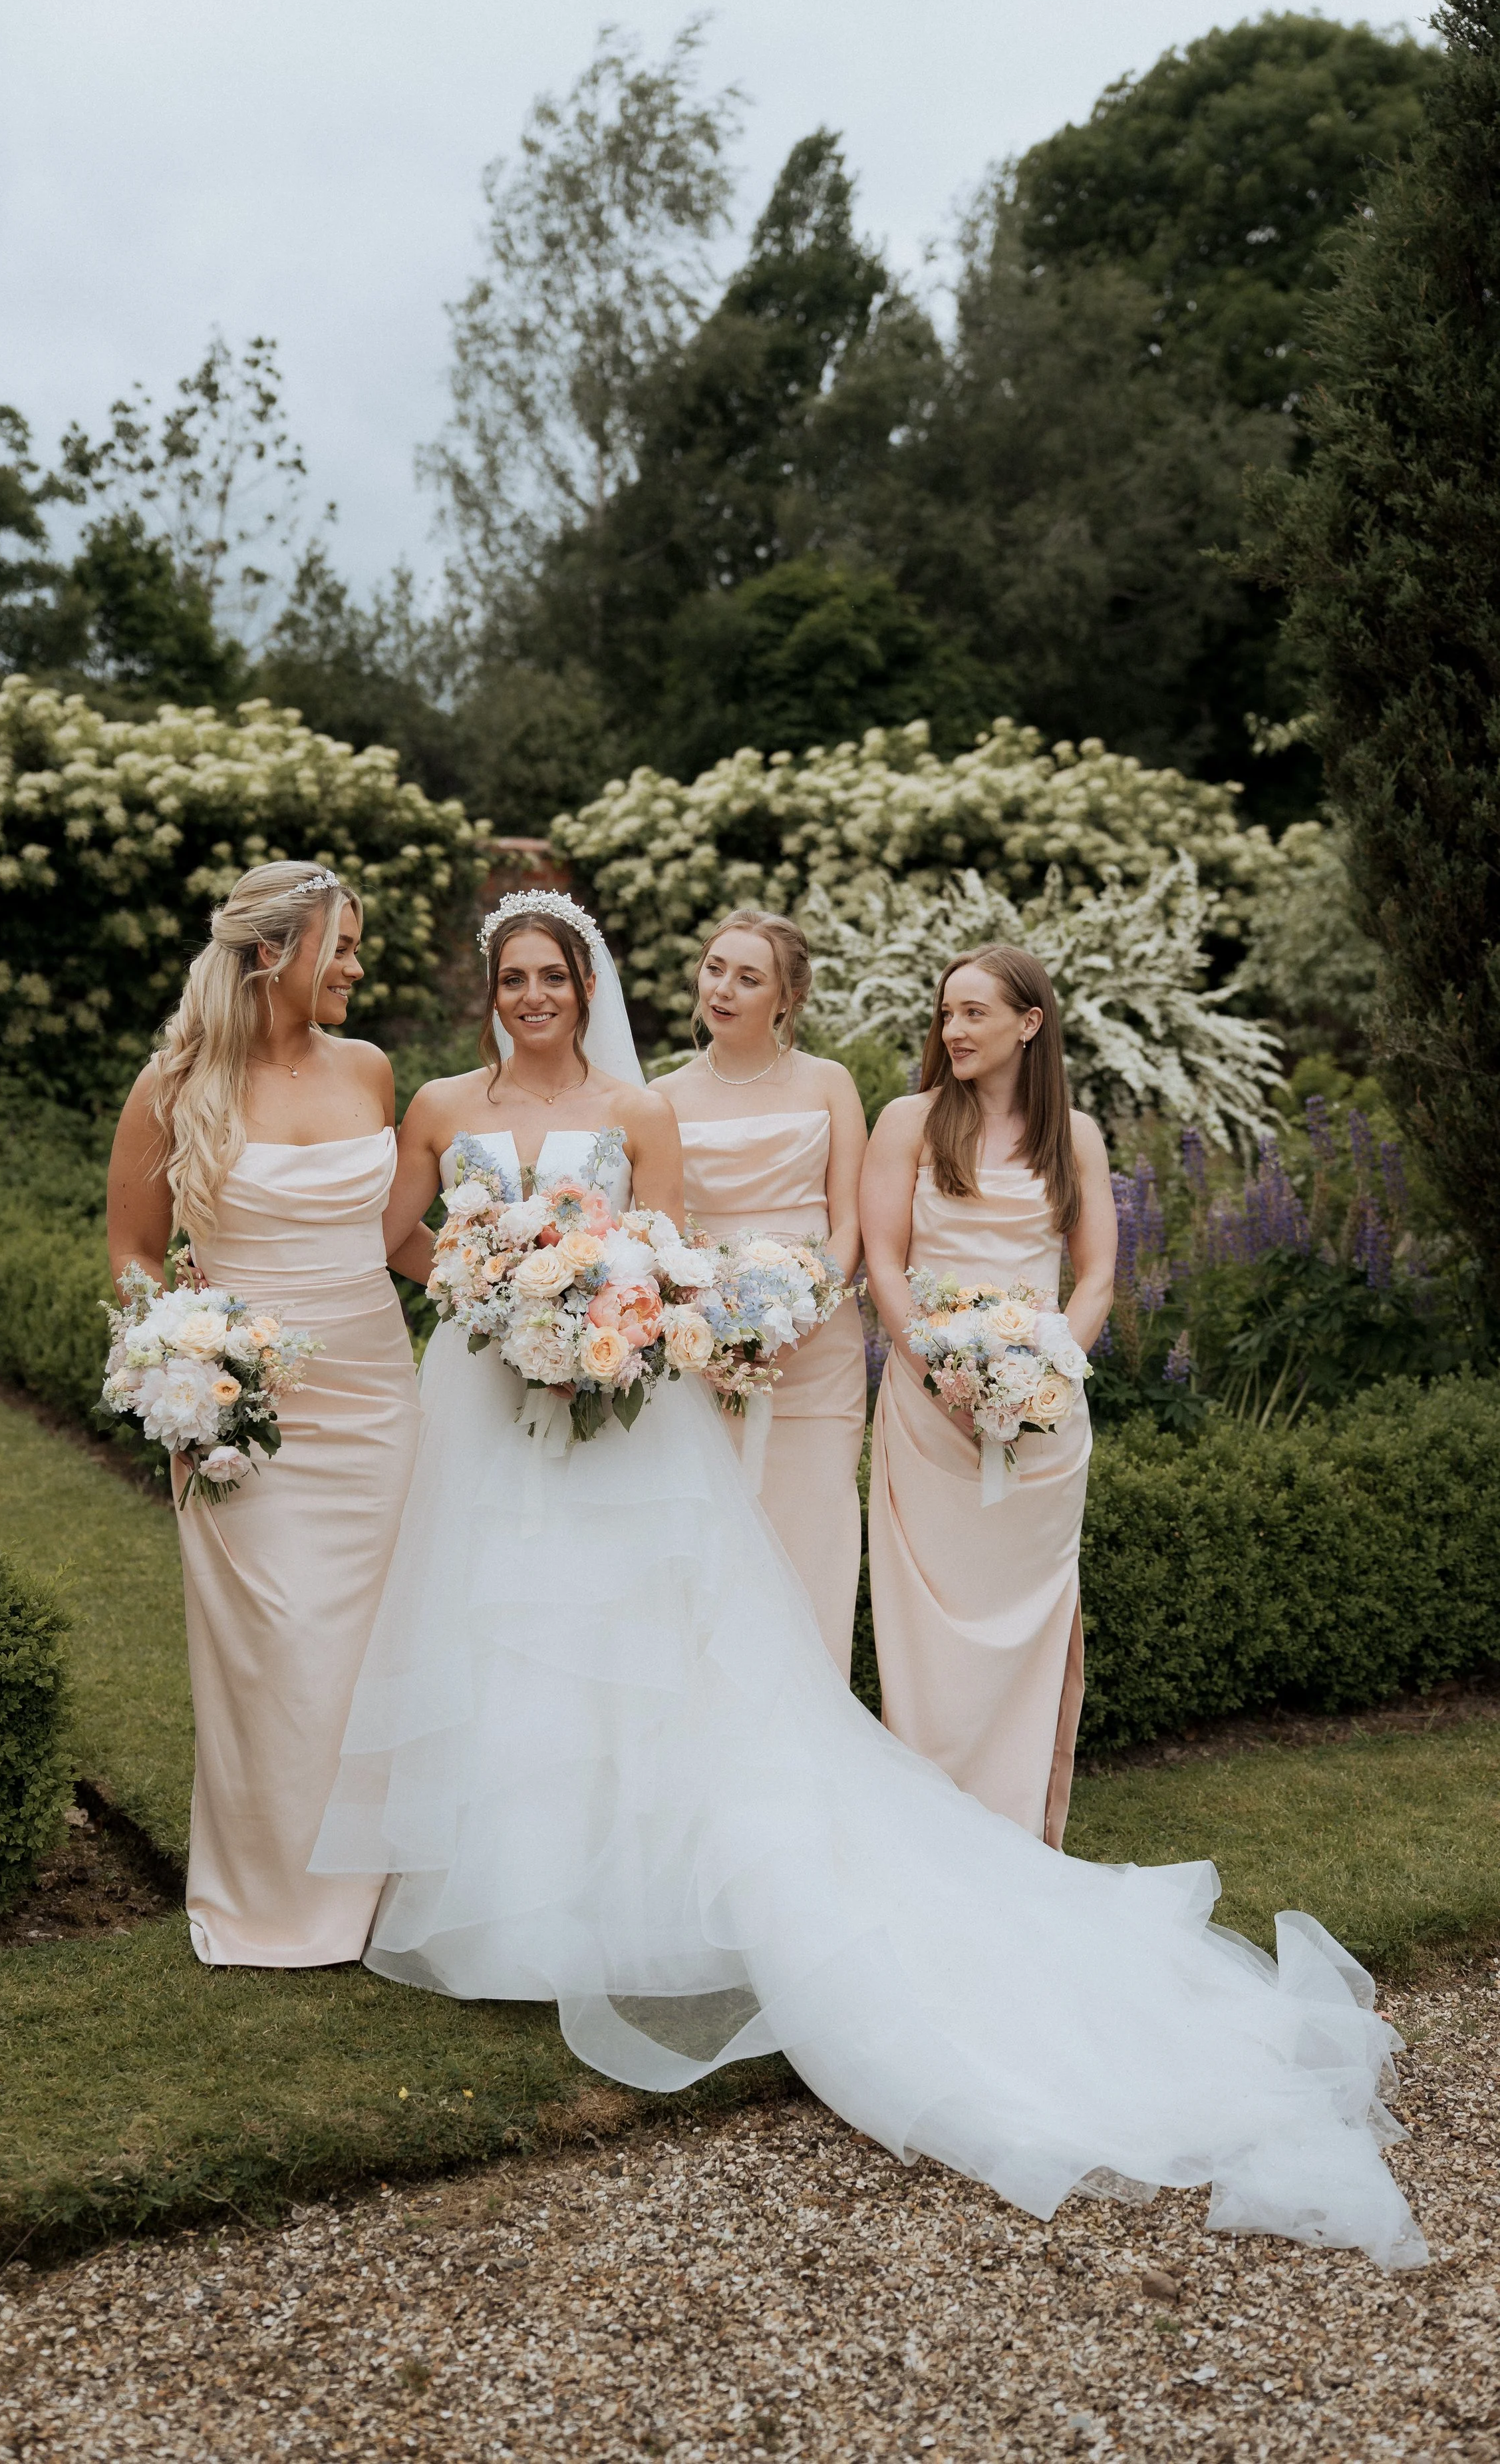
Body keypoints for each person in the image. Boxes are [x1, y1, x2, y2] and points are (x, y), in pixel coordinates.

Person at [311, 891, 1422, 2272]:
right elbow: (397, 1236)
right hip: (491, 1388)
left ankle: (653, 1880)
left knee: (625, 1621)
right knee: (501, 1621)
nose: (533, 993)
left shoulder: (644, 1107)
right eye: (514, 977)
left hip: (623, 1374)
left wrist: (601, 1307)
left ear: (583, 987)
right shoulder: (440, 1102)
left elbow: (657, 1248)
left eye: (553, 975)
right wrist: (494, 1292)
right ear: (492, 988)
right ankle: (513, 1895)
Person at [107, 861, 427, 1967]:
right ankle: (277, 1899)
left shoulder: (370, 1070)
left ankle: (386, 1892)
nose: (355, 968)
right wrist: (179, 1354)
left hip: (378, 1399)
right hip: (244, 1411)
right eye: (342, 946)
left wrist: (506, 1281)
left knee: (380, 1645)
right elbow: (134, 1250)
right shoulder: (173, 1085)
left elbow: (392, 1236)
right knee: (280, 1649)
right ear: (269, 954)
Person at [861, 946, 1115, 1848]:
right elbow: (884, 1261)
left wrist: (1044, 1377)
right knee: (928, 1631)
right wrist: (940, 1376)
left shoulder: (1075, 1136)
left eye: (974, 1013)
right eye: (947, 1014)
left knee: (1028, 1622)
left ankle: (1020, 1830)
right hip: (926, 1412)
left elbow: (1097, 1276)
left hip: (1042, 1419)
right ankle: (926, 1831)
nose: (954, 1030)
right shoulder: (909, 1121)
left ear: (1029, 1023)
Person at [651, 910, 867, 1675]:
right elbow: (662, 1234)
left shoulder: (828, 1083)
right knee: (710, 1537)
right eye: (715, 969)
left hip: (820, 1349)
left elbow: (852, 1222)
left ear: (788, 997)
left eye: (748, 978)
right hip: (704, 1350)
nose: (723, 989)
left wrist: (797, 1318)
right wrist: (715, 1330)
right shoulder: (662, 1096)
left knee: (815, 1528)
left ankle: (816, 1710)